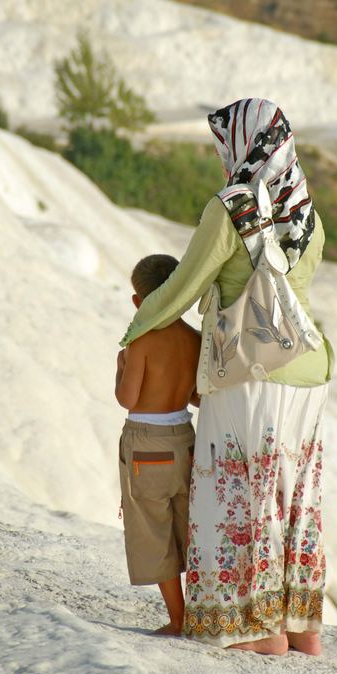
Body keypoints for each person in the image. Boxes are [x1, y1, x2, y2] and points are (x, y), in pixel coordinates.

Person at [120, 98, 334, 655]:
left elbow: (182, 288)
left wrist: (135, 329)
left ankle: (256, 635)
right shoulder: (306, 214)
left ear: (241, 146)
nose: (221, 160)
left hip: (249, 372)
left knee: (240, 494)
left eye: (224, 147)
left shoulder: (232, 206)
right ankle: (300, 632)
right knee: (292, 498)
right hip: (308, 371)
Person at [116, 253, 201, 636]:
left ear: (139, 301)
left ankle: (179, 618)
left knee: (154, 529)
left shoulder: (142, 339)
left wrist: (122, 366)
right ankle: (205, 613)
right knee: (189, 527)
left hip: (146, 442)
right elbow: (198, 396)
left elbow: (128, 398)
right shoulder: (193, 339)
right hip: (185, 438)